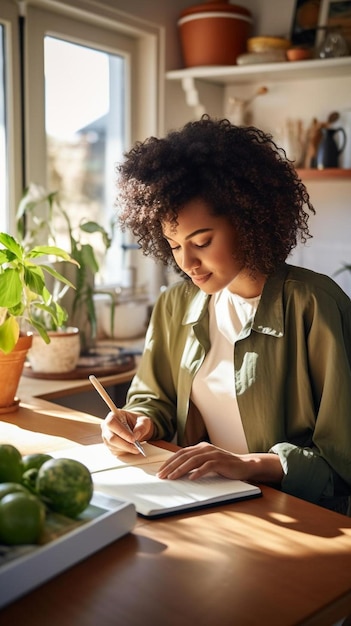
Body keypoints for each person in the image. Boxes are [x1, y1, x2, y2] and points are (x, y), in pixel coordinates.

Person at [101, 115, 351, 514]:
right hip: (205, 506)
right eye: (173, 244)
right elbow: (156, 398)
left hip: (295, 517)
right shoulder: (175, 305)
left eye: (202, 241)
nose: (187, 262)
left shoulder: (314, 305)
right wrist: (140, 420)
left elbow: (343, 462)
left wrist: (247, 464)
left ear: (247, 218)